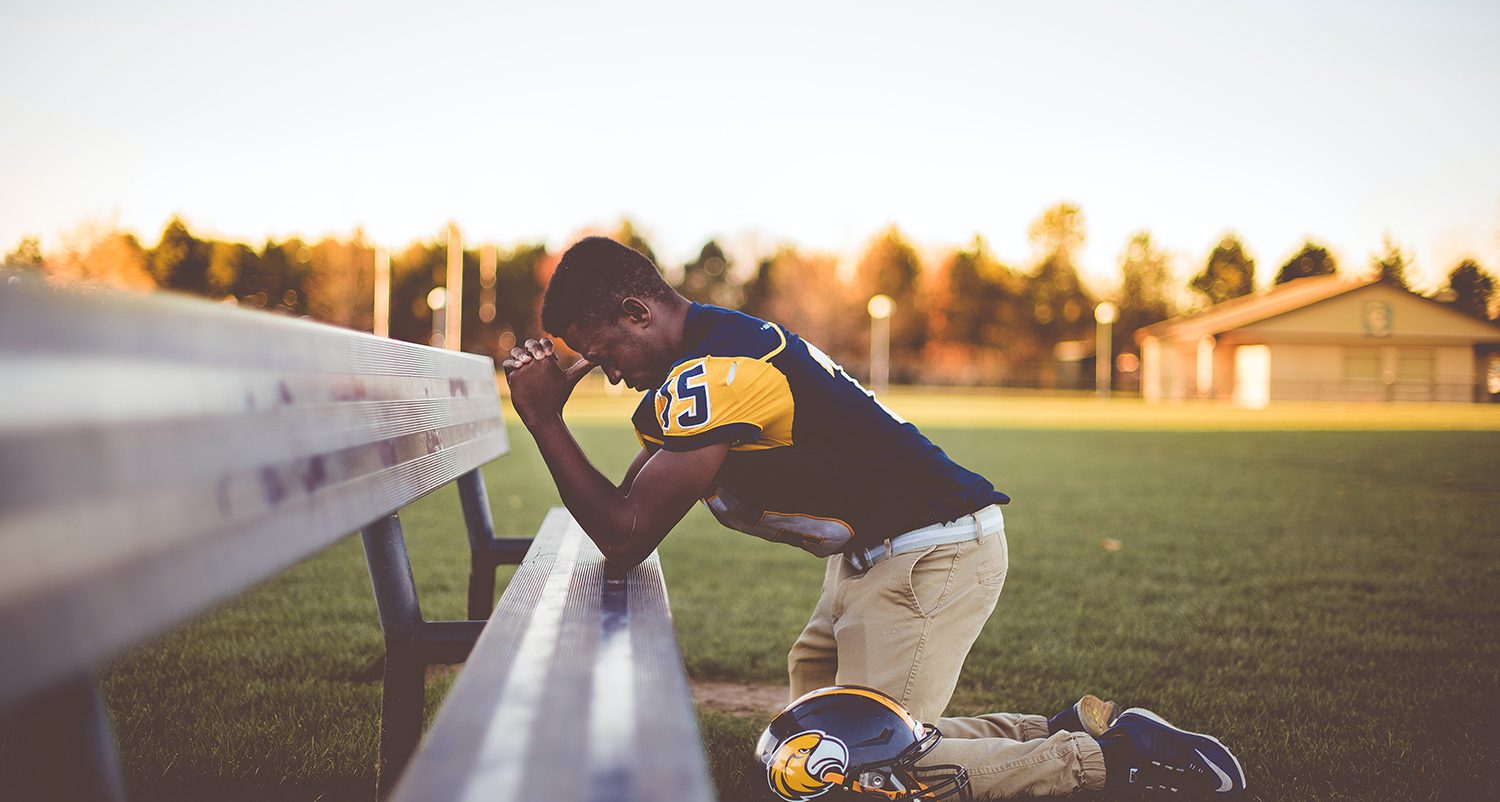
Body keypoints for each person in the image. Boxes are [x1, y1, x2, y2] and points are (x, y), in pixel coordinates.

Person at [502, 236, 1245, 799]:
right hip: (880, 555)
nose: (608, 371)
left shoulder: (717, 374)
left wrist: (543, 422)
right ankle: (1065, 730)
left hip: (928, 555)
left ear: (638, 311)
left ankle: (1112, 761)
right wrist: (552, 418)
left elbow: (626, 535)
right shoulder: (708, 355)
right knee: (816, 744)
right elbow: (630, 506)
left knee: (859, 770)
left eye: (605, 352)